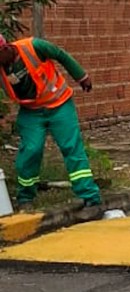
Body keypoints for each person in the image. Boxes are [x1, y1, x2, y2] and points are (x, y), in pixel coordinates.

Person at [0, 34, 101, 210]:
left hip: (59, 104)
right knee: (31, 150)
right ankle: (25, 198)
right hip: (31, 111)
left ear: (5, 48)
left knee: (71, 147)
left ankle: (90, 196)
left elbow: (60, 55)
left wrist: (81, 76)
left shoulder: (33, 46)